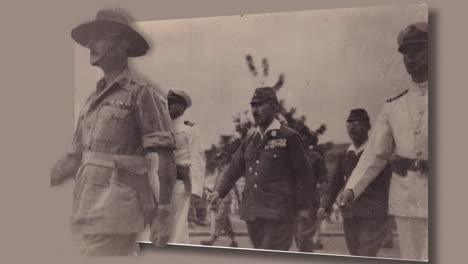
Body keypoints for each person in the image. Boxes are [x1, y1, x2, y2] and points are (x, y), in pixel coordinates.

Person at [50, 9, 176, 256]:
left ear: (122, 43)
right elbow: (73, 158)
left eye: (100, 37)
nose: (90, 44)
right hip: (86, 211)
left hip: (118, 214)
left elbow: (166, 157)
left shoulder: (141, 93)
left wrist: (163, 214)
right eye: (89, 38)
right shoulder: (92, 100)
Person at [338, 22, 429, 260]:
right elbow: (374, 154)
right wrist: (351, 189)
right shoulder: (393, 107)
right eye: (405, 52)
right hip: (407, 200)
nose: (410, 57)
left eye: (418, 49)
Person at [208, 87, 315, 251]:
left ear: (274, 107)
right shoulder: (250, 139)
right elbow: (233, 169)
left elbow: (304, 175)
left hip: (279, 213)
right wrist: (218, 191)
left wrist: (303, 208)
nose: (254, 110)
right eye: (252, 106)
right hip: (253, 213)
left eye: (259, 105)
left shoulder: (289, 137)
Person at [318, 109, 392, 257]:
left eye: (358, 124)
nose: (353, 128)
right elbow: (334, 184)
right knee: (355, 253)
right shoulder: (345, 154)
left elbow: (389, 183)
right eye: (349, 124)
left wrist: (389, 211)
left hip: (373, 214)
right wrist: (325, 206)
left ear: (368, 127)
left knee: (366, 253)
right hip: (350, 214)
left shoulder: (378, 153)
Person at [167, 89, 206, 244]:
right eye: (167, 102)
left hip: (180, 183)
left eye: (172, 102)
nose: (168, 105)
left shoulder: (189, 128)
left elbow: (198, 159)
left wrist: (196, 191)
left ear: (182, 106)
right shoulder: (162, 124)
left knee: (178, 225)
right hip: (161, 181)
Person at [294, 134, 327, 252]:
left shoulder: (316, 157)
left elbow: (323, 180)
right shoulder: (293, 157)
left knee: (303, 235)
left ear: (309, 140)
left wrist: (323, 202)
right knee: (298, 237)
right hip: (294, 202)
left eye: (304, 138)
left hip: (309, 202)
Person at [201, 151, 238, 247]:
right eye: (218, 159)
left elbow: (234, 185)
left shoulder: (229, 169)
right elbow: (216, 184)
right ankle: (233, 240)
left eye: (221, 158)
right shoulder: (218, 170)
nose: (219, 161)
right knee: (225, 221)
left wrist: (237, 199)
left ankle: (211, 240)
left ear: (225, 158)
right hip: (218, 198)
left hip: (226, 197)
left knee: (219, 218)